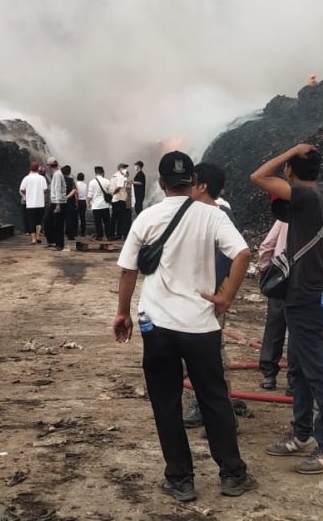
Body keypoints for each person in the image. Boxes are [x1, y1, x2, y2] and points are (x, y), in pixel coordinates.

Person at [113, 151, 256, 501]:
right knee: (214, 399)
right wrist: (225, 297)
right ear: (193, 181)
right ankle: (232, 475)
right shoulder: (214, 215)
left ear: (161, 184)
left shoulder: (147, 218)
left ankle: (180, 480)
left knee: (166, 402)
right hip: (201, 326)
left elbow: (128, 270)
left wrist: (123, 313)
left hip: (156, 325)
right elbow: (243, 255)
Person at [251, 144, 323, 475]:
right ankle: (302, 433)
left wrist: (292, 149)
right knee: (302, 367)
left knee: (317, 370)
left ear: (291, 171)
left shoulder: (303, 196)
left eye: (288, 167)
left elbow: (258, 176)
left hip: (305, 295)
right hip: (315, 292)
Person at [181, 163, 239, 430]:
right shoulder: (196, 212)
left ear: (202, 186)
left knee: (212, 352)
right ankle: (205, 404)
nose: (188, 188)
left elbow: (236, 255)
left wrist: (222, 295)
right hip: (197, 296)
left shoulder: (218, 215)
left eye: (191, 182)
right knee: (201, 352)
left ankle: (219, 412)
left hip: (210, 297)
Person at [257, 215, 291, 392]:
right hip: (308, 281)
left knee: (275, 327)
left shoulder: (286, 217)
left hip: (281, 278)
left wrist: (265, 270)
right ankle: (295, 380)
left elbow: (267, 245)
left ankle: (269, 375)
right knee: (300, 332)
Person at [19, 162, 48, 245]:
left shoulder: (26, 178)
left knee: (31, 221)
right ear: (38, 168)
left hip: (30, 203)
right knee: (38, 221)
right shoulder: (42, 178)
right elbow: (45, 190)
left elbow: (21, 189)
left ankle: (33, 239)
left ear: (30, 168)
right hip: (40, 203)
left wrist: (25, 197)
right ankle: (38, 236)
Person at [45, 158, 66, 250]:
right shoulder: (58, 173)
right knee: (51, 222)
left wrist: (57, 204)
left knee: (57, 223)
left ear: (49, 166)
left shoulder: (57, 175)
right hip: (57, 202)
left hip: (57, 202)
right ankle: (55, 242)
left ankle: (59, 245)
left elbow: (57, 188)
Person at [87, 166, 112, 241]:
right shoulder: (107, 181)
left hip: (96, 206)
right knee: (107, 222)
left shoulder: (92, 182)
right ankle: (109, 236)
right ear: (102, 172)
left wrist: (88, 203)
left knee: (98, 222)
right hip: (105, 205)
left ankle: (100, 236)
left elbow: (90, 195)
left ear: (95, 173)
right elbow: (111, 192)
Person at [111, 164, 132, 240]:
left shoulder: (113, 176)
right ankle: (123, 235)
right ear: (120, 169)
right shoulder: (121, 177)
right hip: (121, 199)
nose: (125, 169)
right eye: (124, 168)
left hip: (114, 200)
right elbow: (119, 187)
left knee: (114, 218)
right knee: (122, 219)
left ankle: (113, 234)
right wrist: (113, 192)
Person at [62, 165, 78, 242]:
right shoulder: (71, 180)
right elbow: (75, 190)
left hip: (60, 201)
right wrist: (67, 197)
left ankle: (59, 234)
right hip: (69, 202)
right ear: (69, 172)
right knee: (69, 219)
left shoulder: (59, 180)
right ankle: (70, 235)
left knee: (60, 218)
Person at [76, 172, 89, 237]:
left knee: (75, 217)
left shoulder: (76, 184)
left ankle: (75, 232)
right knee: (82, 218)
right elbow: (86, 194)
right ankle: (82, 233)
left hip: (77, 201)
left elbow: (76, 193)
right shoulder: (85, 185)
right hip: (83, 201)